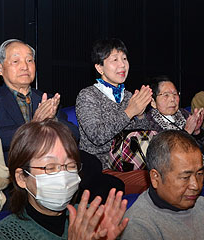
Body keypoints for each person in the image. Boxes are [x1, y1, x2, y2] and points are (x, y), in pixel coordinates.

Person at [0, 120, 128, 240]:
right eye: (50, 167)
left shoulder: (93, 218)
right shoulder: (3, 235)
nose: (63, 177)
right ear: (22, 177)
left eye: (70, 166)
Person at [0, 39, 79, 163]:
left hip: (50, 164)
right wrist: (34, 125)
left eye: (29, 60)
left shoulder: (46, 99)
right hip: (12, 169)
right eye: (16, 61)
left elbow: (74, 135)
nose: (25, 67)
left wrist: (52, 121)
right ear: (0, 69)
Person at [75, 38, 152, 194]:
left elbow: (143, 137)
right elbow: (97, 136)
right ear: (100, 68)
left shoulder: (129, 96)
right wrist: (129, 112)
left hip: (132, 164)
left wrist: (141, 115)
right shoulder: (88, 95)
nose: (122, 64)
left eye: (124, 58)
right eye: (114, 60)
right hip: (101, 168)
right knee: (159, 182)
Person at [120, 130, 204, 239]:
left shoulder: (200, 204)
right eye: (185, 177)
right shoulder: (139, 226)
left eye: (200, 174)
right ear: (155, 178)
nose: (195, 186)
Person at [147, 75, 204, 150]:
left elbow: (200, 148)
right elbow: (163, 153)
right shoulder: (149, 122)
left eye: (175, 94)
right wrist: (186, 132)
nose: (172, 99)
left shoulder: (184, 114)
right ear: (153, 102)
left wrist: (197, 132)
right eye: (166, 95)